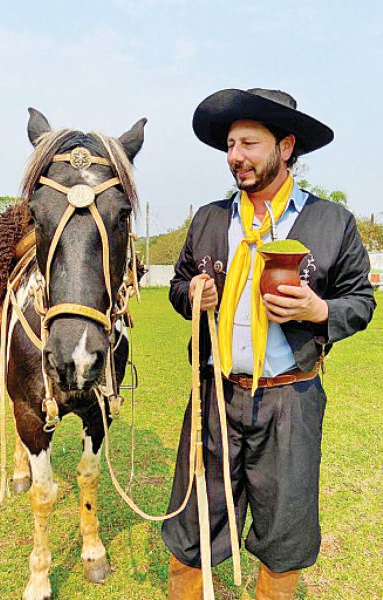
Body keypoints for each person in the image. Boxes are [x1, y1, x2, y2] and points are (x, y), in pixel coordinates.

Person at [162, 88, 376, 599]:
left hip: (291, 401)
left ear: (285, 146)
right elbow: (178, 284)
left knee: (284, 538)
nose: (235, 156)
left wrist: (318, 310)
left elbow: (360, 301)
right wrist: (193, 293)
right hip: (214, 395)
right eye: (231, 144)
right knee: (191, 533)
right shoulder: (211, 219)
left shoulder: (331, 222)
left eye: (249, 144)